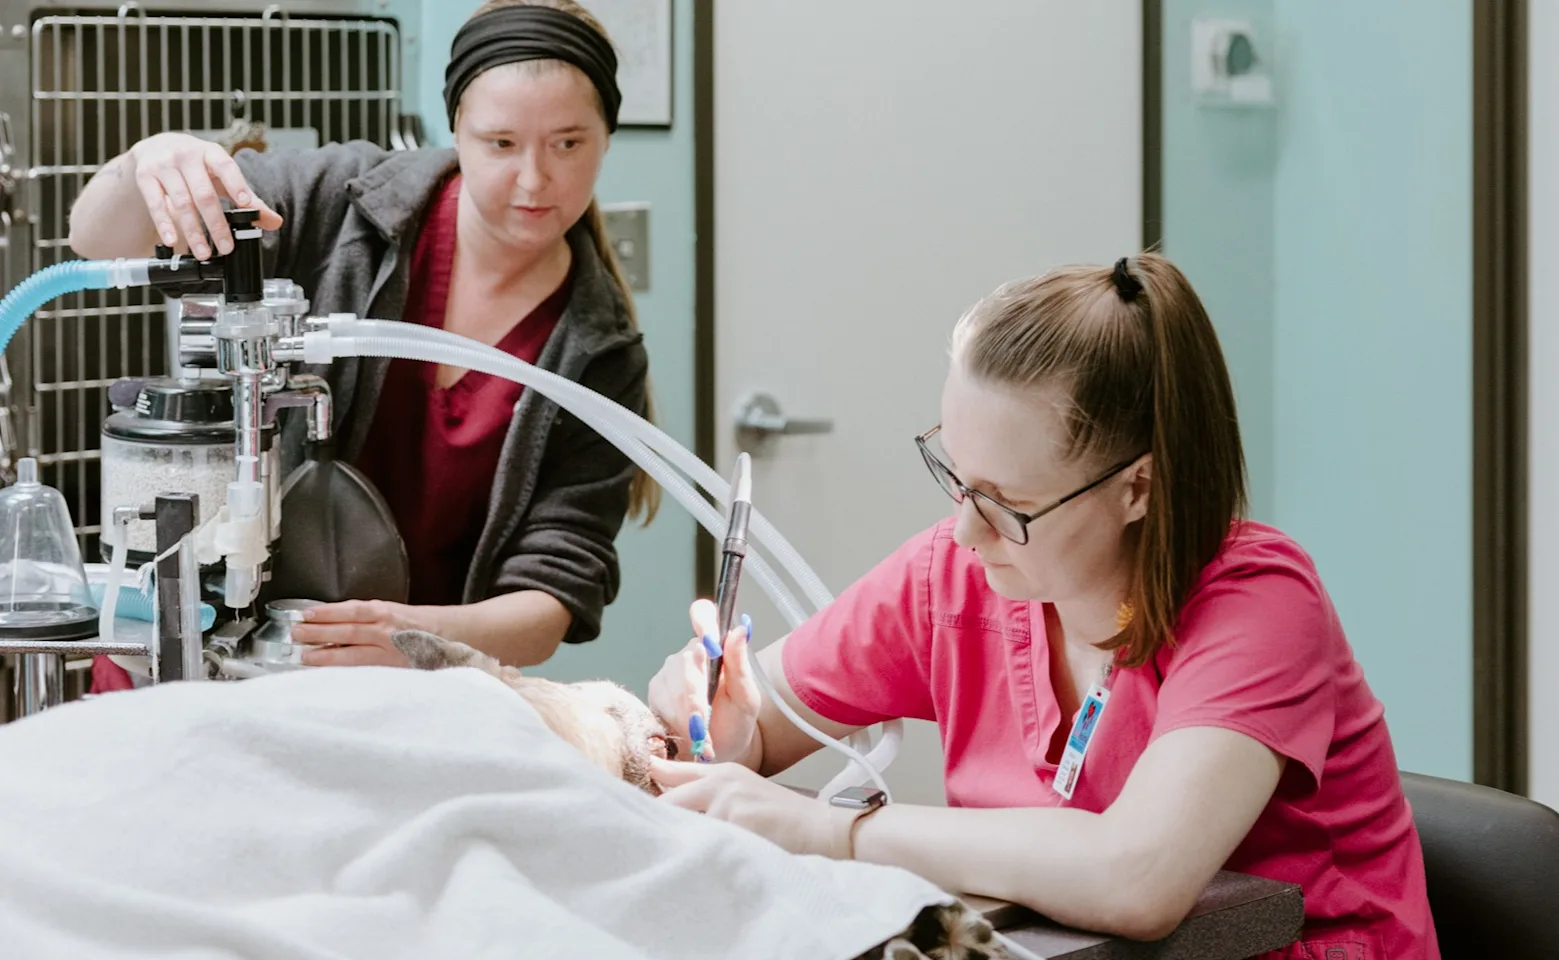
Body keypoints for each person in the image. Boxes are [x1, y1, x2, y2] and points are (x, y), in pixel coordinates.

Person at [646, 254, 1438, 957]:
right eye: (956, 477)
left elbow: (1140, 876)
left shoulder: (1259, 605)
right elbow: (750, 723)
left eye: (1006, 502)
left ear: (1139, 486)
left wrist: (834, 831)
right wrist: (725, 730)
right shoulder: (954, 577)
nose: (963, 529)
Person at [70, 0, 656, 669]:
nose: (533, 178)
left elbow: (550, 600)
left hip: (412, 686)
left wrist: (402, 635)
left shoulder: (598, 354)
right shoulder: (345, 203)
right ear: (456, 131)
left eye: (568, 143)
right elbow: (95, 240)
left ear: (607, 137)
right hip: (211, 652)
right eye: (501, 143)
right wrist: (153, 161)